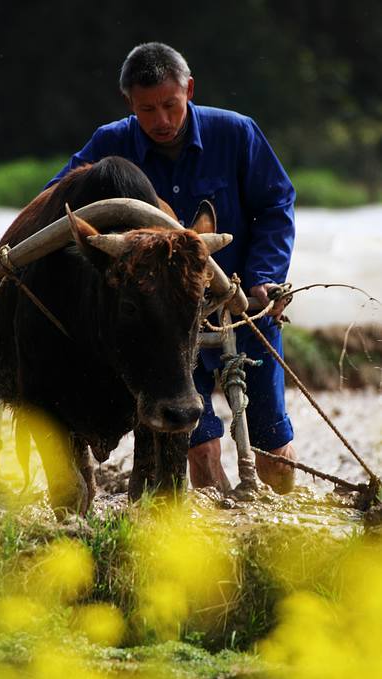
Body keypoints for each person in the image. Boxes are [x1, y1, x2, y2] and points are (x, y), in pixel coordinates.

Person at [46, 42, 297, 495]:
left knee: (275, 454)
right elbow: (55, 204)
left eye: (170, 105)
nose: (161, 120)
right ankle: (217, 543)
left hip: (237, 307)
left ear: (190, 91)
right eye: (147, 110)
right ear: (130, 104)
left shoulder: (237, 134)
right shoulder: (109, 143)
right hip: (163, 328)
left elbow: (276, 205)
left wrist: (264, 276)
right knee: (200, 452)